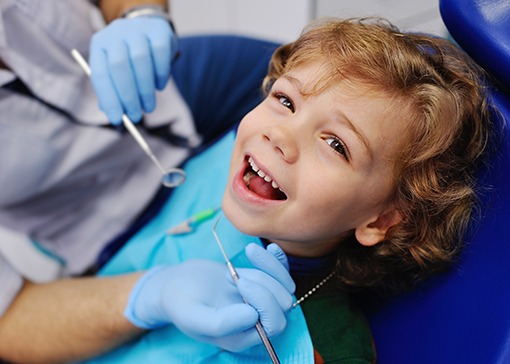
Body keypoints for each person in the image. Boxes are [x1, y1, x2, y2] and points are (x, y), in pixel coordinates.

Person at [80, 17, 496, 363]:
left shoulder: (331, 350)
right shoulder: (219, 158)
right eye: (286, 100)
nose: (280, 135)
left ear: (380, 220)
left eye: (336, 145)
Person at [0, 0, 283, 362]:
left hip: (172, 90)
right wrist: (152, 294)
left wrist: (139, 12)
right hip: (106, 222)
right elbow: (10, 317)